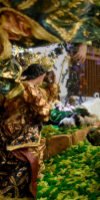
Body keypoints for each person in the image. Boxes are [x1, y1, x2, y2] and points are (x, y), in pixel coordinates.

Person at [0, 64, 58, 198]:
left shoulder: (15, 85)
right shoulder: (30, 88)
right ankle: (24, 181)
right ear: (40, 76)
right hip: (21, 127)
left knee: (7, 157)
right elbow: (43, 111)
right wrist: (47, 112)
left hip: (4, 126)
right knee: (32, 152)